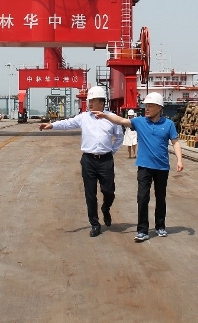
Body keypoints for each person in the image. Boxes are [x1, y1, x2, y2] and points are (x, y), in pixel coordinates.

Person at [93, 92, 183, 242]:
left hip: (162, 168)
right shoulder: (140, 122)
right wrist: (105, 115)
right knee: (142, 198)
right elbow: (121, 120)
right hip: (144, 167)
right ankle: (142, 230)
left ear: (159, 108)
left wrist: (179, 160)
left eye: (150, 106)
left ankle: (160, 226)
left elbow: (176, 143)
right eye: (146, 106)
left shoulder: (168, 125)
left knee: (161, 198)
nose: (146, 108)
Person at [38, 86, 123, 238]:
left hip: (105, 160)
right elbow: (68, 123)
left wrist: (112, 151)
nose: (89, 103)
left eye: (93, 101)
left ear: (101, 103)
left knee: (109, 191)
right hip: (88, 160)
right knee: (90, 194)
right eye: (89, 101)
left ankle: (106, 208)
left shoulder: (112, 118)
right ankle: (95, 224)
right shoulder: (84, 117)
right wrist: (52, 125)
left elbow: (120, 137)